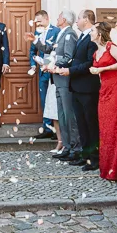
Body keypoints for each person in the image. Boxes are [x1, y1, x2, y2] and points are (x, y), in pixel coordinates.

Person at [90, 22, 117, 183]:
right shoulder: (96, 51)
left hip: (114, 88)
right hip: (104, 89)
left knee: (115, 127)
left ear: (99, 33)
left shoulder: (110, 47)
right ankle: (107, 168)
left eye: (92, 30)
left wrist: (102, 69)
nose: (90, 33)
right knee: (105, 128)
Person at [59, 9, 100, 170]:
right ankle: (85, 155)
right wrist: (60, 67)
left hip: (88, 87)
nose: (76, 21)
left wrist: (70, 71)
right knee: (81, 124)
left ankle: (94, 159)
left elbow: (90, 63)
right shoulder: (82, 36)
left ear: (87, 20)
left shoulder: (92, 37)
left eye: (79, 18)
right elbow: (75, 60)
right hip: (76, 86)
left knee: (90, 124)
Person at [50, 10, 82, 162]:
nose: (57, 19)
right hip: (57, 79)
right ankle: (67, 146)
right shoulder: (61, 33)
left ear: (63, 19)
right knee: (62, 115)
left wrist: (53, 63)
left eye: (58, 16)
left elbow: (68, 58)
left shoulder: (70, 34)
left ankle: (75, 148)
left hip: (65, 80)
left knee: (69, 116)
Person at [28, 10, 59, 139]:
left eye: (39, 21)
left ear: (47, 19)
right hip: (41, 71)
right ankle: (47, 127)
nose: (37, 24)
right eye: (36, 22)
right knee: (43, 98)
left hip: (52, 71)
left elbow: (55, 51)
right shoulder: (36, 33)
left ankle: (56, 129)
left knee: (53, 99)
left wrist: (47, 63)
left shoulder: (56, 31)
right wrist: (33, 65)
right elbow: (32, 50)